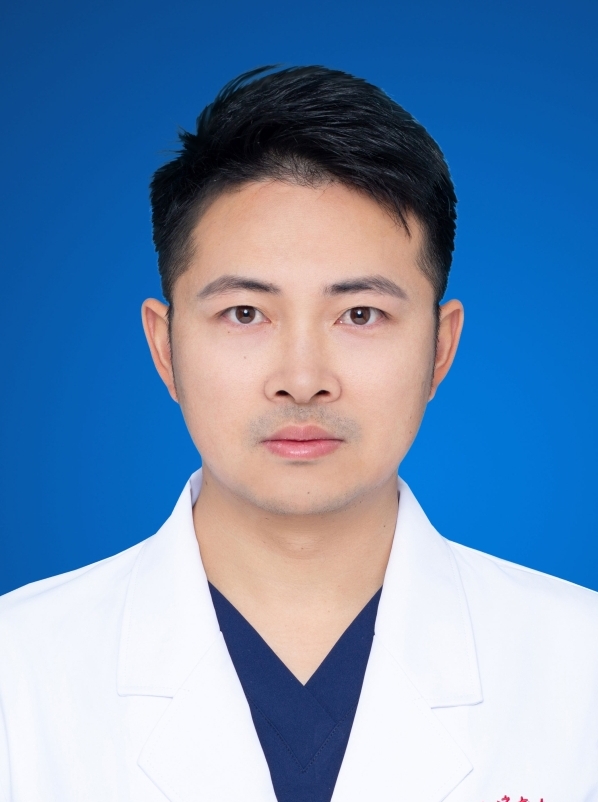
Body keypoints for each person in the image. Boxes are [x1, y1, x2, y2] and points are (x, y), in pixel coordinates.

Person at [0, 66, 597, 802]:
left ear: (440, 348)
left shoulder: (582, 670)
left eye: (361, 315)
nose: (303, 379)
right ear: (164, 346)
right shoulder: (17, 672)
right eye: (245, 313)